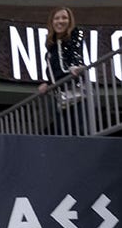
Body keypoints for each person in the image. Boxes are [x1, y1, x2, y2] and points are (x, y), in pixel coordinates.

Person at [37, 7, 88, 135]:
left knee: (79, 130)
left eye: (64, 18)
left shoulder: (75, 35)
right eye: (57, 18)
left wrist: (76, 66)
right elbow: (53, 70)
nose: (60, 21)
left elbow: (75, 53)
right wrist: (47, 83)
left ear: (70, 21)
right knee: (63, 130)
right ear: (52, 22)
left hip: (76, 91)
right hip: (60, 95)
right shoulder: (51, 46)